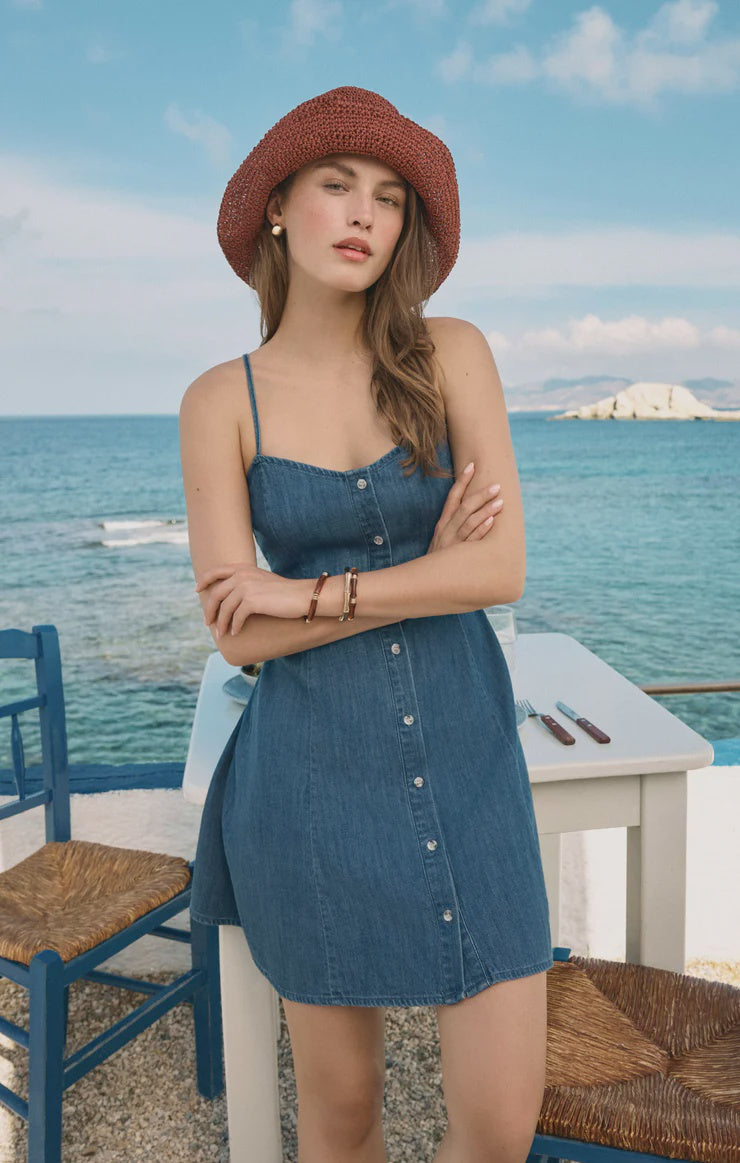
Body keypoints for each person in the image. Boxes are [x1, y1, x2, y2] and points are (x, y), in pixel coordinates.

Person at [179, 85, 553, 1163]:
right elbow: (234, 636)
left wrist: (305, 592)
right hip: (305, 785)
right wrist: (423, 568)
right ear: (278, 213)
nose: (363, 215)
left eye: (388, 198)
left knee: (494, 1125)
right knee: (340, 1123)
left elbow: (499, 567)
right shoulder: (219, 402)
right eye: (336, 186)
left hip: (470, 766)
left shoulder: (449, 353)